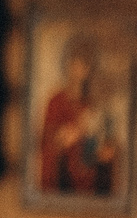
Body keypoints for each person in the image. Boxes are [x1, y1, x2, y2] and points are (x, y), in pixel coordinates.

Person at [37, 37, 118, 196]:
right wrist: (66, 136)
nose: (80, 70)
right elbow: (47, 137)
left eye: (85, 66)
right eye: (77, 65)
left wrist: (103, 145)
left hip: (88, 158)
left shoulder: (92, 103)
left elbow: (101, 134)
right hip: (65, 160)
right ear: (69, 66)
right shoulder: (56, 100)